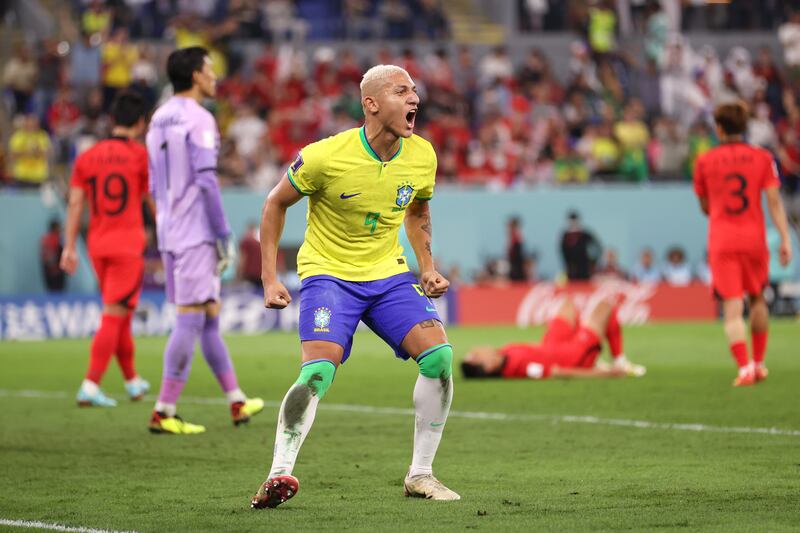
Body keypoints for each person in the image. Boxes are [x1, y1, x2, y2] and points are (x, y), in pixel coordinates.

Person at [252, 64, 458, 509]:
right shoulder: (325, 156)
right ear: (371, 103)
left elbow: (418, 211)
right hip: (329, 274)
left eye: (415, 92)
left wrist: (426, 266)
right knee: (319, 371)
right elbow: (274, 205)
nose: (414, 100)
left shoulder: (422, 155)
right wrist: (269, 277)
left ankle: (420, 474)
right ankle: (278, 474)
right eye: (401, 92)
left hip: (387, 273)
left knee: (439, 356)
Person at [146, 47, 264, 434]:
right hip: (195, 231)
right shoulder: (199, 119)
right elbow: (206, 179)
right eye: (210, 69)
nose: (215, 76)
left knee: (209, 315)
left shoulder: (158, 118)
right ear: (196, 75)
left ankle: (235, 400)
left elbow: (152, 184)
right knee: (190, 319)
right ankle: (164, 410)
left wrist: (166, 222)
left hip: (169, 229)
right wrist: (221, 231)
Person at [60, 92, 152, 407]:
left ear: (112, 120)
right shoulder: (140, 156)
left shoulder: (86, 157)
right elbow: (153, 200)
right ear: (140, 123)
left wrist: (70, 246)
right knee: (114, 315)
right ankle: (90, 384)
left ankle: (132, 382)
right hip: (127, 246)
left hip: (97, 246)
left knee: (121, 314)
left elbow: (75, 203)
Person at [693, 101, 793, 387]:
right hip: (754, 239)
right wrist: (785, 239)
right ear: (745, 127)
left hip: (723, 240)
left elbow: (705, 207)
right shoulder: (762, 158)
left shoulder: (705, 161)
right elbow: (774, 202)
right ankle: (760, 364)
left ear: (719, 128)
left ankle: (745, 367)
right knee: (758, 298)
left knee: (733, 308)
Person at [461, 297, 645, 380]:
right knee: (605, 307)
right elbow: (558, 373)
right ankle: (618, 361)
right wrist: (606, 374)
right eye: (476, 354)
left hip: (553, 344)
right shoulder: (523, 368)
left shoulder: (503, 354)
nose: (479, 348)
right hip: (572, 354)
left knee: (568, 304)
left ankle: (589, 345)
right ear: (488, 366)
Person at [560, 210, 601, 281]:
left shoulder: (585, 235)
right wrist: (567, 264)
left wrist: (592, 263)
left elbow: (597, 248)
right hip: (572, 271)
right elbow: (562, 252)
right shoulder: (565, 236)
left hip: (584, 269)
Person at [41, 219, 65, 292]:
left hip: (47, 269)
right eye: (58, 227)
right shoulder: (58, 238)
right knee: (58, 291)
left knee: (51, 291)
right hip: (57, 269)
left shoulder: (44, 239)